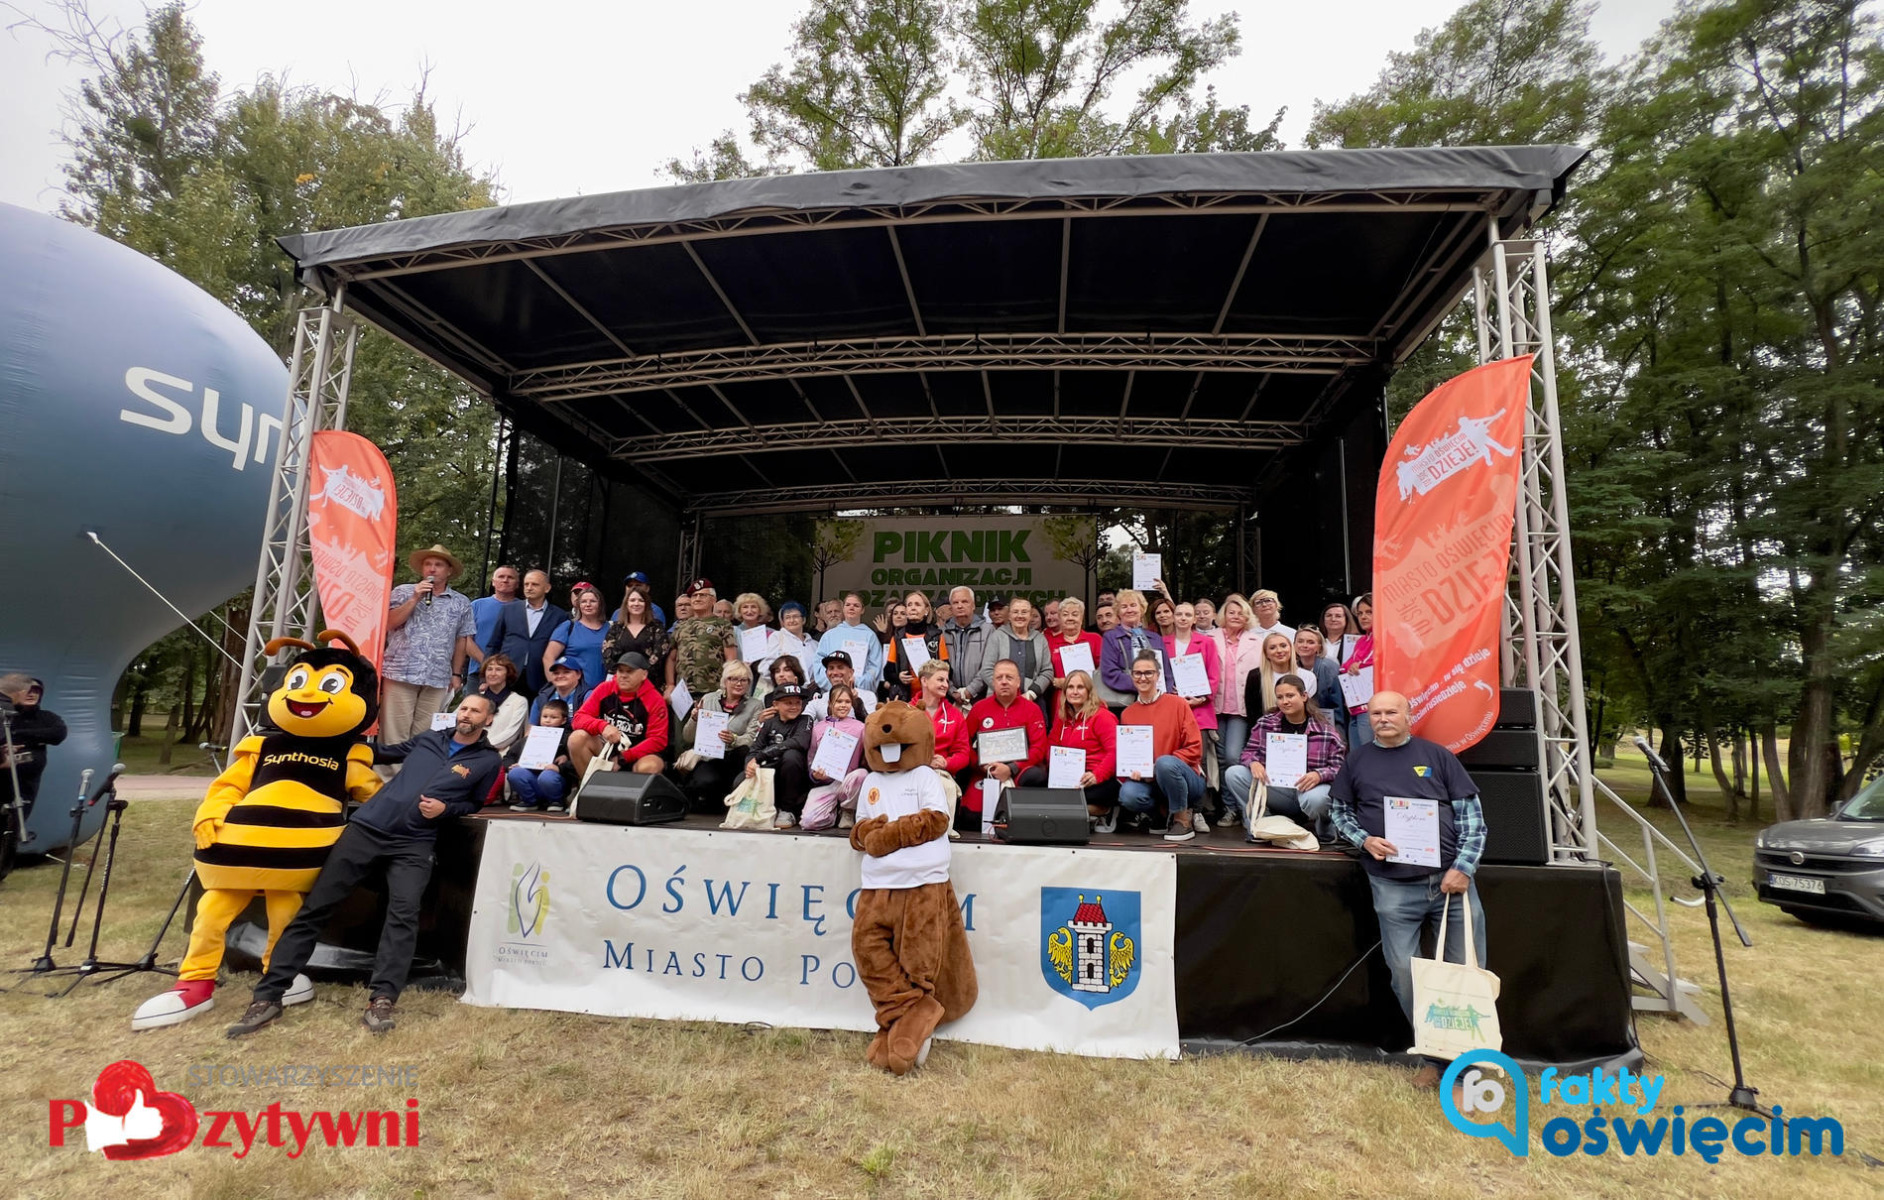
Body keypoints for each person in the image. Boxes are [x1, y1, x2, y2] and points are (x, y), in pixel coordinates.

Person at [227, 692, 501, 1037]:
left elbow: (475, 803)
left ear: (488, 720)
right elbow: (380, 752)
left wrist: (447, 811)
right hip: (368, 828)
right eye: (463, 707)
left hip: (414, 843)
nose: (466, 713)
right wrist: (331, 737)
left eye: (475, 710)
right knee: (316, 908)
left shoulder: (488, 761)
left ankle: (382, 999)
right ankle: (267, 997)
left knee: (403, 917)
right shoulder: (430, 739)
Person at [1329, 690, 1487, 1091]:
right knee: (1404, 974)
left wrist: (1463, 869)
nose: (1383, 718)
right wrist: (1365, 840)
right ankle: (1436, 1056)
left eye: (1391, 711)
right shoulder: (1358, 759)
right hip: (1393, 886)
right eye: (1376, 713)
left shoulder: (1438, 757)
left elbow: (1473, 819)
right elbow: (1339, 812)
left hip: (1450, 884)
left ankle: (1467, 1063)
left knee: (1465, 974)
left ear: (1408, 715)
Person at [1222, 674, 1346, 832]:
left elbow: (1339, 768)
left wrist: (1319, 775)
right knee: (1234, 773)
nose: (1285, 701)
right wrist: (1253, 763)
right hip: (1277, 788)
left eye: (1290, 695)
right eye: (1280, 697)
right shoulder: (1265, 723)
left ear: (1304, 696)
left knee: (1318, 799)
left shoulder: (1326, 731)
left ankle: (1324, 828)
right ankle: (1263, 824)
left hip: (1309, 790)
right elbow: (1248, 752)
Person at [381, 544, 479, 743]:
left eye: (438, 564)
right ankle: (389, 775)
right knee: (394, 734)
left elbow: (461, 640)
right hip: (401, 672)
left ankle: (417, 772)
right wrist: (415, 598)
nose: (432, 569)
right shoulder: (403, 592)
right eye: (428, 564)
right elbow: (389, 623)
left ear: (449, 570)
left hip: (438, 676)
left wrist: (456, 673)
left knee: (425, 735)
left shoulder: (461, 602)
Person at [1117, 649, 1206, 841]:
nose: (1143, 677)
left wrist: (1157, 767)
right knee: (1128, 794)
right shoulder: (1128, 714)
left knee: (1166, 763)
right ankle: (1160, 814)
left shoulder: (1178, 704)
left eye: (1148, 672)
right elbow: (1130, 754)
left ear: (1158, 676)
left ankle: (1181, 819)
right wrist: (1135, 771)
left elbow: (1195, 748)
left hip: (1186, 780)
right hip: (1151, 782)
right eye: (1138, 673)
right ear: (1132, 676)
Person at [1018, 669, 1119, 829]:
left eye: (1080, 687)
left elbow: (1114, 751)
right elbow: (1051, 745)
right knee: (1034, 780)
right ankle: (1075, 811)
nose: (1075, 691)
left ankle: (1102, 811)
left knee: (1080, 794)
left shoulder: (1103, 717)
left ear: (1089, 691)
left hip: (1095, 778)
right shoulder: (1063, 718)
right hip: (1069, 778)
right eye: (1070, 687)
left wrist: (1096, 775)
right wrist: (1057, 769)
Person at [964, 660, 1048, 834]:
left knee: (1037, 776)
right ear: (993, 682)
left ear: (1018, 682)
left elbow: (1039, 747)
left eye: (1009, 677)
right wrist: (981, 765)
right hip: (987, 770)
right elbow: (964, 743)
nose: (1004, 681)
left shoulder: (1032, 709)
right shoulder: (979, 708)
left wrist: (1012, 768)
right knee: (971, 819)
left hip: (1019, 770)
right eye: (999, 677)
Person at [677, 660, 760, 810]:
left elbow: (752, 738)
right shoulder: (708, 699)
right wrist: (694, 719)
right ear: (724, 681)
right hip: (709, 757)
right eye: (733, 679)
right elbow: (687, 737)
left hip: (735, 758)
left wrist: (734, 739)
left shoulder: (755, 705)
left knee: (742, 752)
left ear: (749, 683)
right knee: (705, 782)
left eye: (744, 680)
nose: (739, 683)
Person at [569, 652, 670, 777]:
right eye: (620, 671)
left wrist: (624, 757)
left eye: (630, 671)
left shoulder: (654, 699)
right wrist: (602, 726)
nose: (624, 676)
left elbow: (658, 740)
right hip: (608, 749)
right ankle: (591, 789)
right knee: (576, 738)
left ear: (644, 674)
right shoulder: (604, 689)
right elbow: (578, 719)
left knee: (650, 766)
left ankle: (634, 796)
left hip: (640, 753)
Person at [1166, 601, 1223, 809]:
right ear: (1173, 617)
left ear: (1194, 619)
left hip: (1199, 708)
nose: (1182, 618)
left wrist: (1201, 698)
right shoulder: (1162, 643)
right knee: (1170, 755)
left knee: (1200, 759)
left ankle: (1200, 808)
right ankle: (1175, 807)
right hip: (1170, 708)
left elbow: (1213, 676)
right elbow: (1160, 673)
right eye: (1178, 614)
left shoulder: (1206, 643)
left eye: (1187, 614)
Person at [0, 674, 66, 837]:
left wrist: (18, 735)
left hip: (27, 785)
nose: (32, 694)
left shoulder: (47, 717)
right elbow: (5, 735)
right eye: (28, 690)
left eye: (36, 690)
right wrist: (36, 739)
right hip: (2, 780)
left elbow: (57, 734)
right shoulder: (5, 714)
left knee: (14, 826)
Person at [485, 569, 569, 696]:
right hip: (508, 675)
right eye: (526, 584)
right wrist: (486, 676)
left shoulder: (559, 616)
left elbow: (562, 651)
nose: (529, 588)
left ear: (547, 588)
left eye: (534, 584)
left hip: (540, 678)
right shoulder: (509, 609)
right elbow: (493, 644)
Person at [747, 683, 813, 828]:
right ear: (775, 705)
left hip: (795, 778)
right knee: (742, 777)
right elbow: (754, 750)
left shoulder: (805, 720)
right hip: (771, 773)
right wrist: (750, 765)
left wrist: (761, 757)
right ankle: (755, 810)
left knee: (792, 756)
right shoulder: (769, 723)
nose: (794, 706)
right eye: (788, 702)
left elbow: (799, 741)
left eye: (798, 702)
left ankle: (787, 810)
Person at [1214, 594, 1266, 778]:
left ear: (1247, 617)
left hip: (1241, 707)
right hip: (1215, 706)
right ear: (1224, 615)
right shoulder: (1209, 639)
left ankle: (1236, 799)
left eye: (1240, 613)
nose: (1235, 616)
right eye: (1231, 613)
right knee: (1219, 757)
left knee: (1232, 756)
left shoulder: (1258, 642)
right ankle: (1225, 804)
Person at [976, 597, 1052, 722]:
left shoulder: (1040, 639)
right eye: (1016, 612)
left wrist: (1031, 694)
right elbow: (987, 669)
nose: (1020, 616)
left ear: (1030, 616)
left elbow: (1047, 671)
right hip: (999, 704)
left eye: (1024, 612)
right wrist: (1005, 692)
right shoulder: (997, 637)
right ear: (1009, 615)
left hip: (1032, 703)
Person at [804, 683, 867, 829]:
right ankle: (832, 813)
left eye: (847, 702)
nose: (843, 705)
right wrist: (815, 775)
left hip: (849, 783)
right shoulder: (818, 729)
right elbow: (811, 758)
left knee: (861, 775)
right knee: (809, 822)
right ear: (830, 703)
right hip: (827, 782)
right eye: (839, 701)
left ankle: (847, 810)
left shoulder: (860, 727)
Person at [911, 659, 972, 808]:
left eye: (946, 680)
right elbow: (899, 747)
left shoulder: (955, 715)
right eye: (940, 679)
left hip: (941, 771)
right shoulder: (906, 711)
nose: (945, 684)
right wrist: (923, 761)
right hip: (910, 770)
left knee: (947, 788)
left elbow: (963, 753)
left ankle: (945, 831)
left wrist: (946, 763)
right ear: (924, 681)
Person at [670, 579, 739, 700]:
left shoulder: (723, 624)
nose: (697, 599)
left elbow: (731, 659)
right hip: (683, 692)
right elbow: (671, 659)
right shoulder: (680, 626)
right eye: (694, 596)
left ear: (713, 600)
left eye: (702, 595)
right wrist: (670, 685)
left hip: (713, 691)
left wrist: (728, 686)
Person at [1097, 589, 1163, 710]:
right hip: (1123, 704)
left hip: (1156, 702)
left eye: (1133, 605)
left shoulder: (1155, 638)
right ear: (1118, 612)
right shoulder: (1110, 637)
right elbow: (1109, 672)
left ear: (1141, 609)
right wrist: (1142, 683)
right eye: (1124, 606)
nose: (1129, 610)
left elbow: (1166, 671)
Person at [506, 698, 575, 813]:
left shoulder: (569, 738)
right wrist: (511, 765)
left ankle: (556, 801)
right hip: (533, 780)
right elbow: (508, 757)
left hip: (555, 783)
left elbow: (577, 764)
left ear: (563, 720)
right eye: (545, 717)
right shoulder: (532, 737)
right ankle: (530, 801)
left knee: (547, 776)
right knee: (515, 773)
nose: (548, 721)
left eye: (553, 717)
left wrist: (560, 767)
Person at [602, 584, 671, 696]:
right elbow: (607, 657)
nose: (636, 603)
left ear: (646, 604)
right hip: (620, 686)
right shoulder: (616, 628)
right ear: (626, 604)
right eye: (632, 600)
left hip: (649, 685)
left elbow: (659, 655)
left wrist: (638, 677)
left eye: (640, 600)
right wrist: (624, 677)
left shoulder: (656, 627)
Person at [883, 590, 949, 704]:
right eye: (909, 605)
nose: (913, 608)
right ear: (906, 610)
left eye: (917, 604)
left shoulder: (936, 636)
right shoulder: (898, 637)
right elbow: (888, 671)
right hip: (904, 697)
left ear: (926, 610)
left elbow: (947, 668)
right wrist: (899, 677)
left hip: (932, 697)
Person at [815, 592, 886, 693]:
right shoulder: (829, 636)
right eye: (848, 605)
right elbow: (819, 664)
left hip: (860, 692)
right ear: (843, 609)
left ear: (862, 610)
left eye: (856, 605)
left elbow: (875, 667)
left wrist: (858, 682)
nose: (851, 608)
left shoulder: (870, 636)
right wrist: (833, 683)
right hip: (832, 692)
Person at [541, 583, 609, 689]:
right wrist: (556, 686)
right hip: (575, 692)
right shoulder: (568, 627)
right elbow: (548, 657)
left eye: (593, 601)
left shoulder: (610, 629)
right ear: (578, 605)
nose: (588, 604)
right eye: (583, 601)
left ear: (600, 604)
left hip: (604, 691)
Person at [1046, 598, 1103, 716]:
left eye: (1075, 614)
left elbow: (1103, 668)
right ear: (1060, 618)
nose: (1070, 618)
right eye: (1065, 614)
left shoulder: (1094, 639)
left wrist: (1077, 682)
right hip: (1061, 699)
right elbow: (1043, 670)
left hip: (1090, 696)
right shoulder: (1049, 642)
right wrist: (1055, 682)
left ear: (1082, 618)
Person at [939, 586, 992, 710]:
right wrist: (952, 691)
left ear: (973, 605)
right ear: (951, 607)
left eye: (964, 601)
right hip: (950, 699)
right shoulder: (942, 633)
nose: (960, 606)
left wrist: (970, 691)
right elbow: (939, 665)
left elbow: (989, 665)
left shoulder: (988, 630)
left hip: (980, 698)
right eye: (955, 603)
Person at [474, 653, 531, 758]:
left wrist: (482, 746)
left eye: (498, 669)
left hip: (501, 755)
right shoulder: (474, 700)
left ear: (507, 674)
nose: (493, 673)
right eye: (489, 669)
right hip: (470, 750)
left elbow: (511, 733)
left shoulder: (519, 701)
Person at [1344, 593, 1378, 747]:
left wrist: (1358, 665)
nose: (1363, 617)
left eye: (1369, 612)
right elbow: (1345, 667)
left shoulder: (1386, 637)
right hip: (1355, 707)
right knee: (1358, 756)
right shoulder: (1362, 640)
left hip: (1372, 706)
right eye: (1360, 613)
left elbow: (1370, 665)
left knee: (1371, 755)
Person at [469, 565, 519, 664]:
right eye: (501, 577)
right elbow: (466, 640)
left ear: (517, 584)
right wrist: (487, 663)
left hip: (514, 672)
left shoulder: (524, 609)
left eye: (510, 577)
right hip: (478, 671)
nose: (505, 580)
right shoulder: (476, 606)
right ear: (493, 582)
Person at [1243, 631, 1298, 721]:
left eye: (1283, 646)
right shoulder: (1255, 676)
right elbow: (1252, 713)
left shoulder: (1307, 676)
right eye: (1272, 648)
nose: (1279, 651)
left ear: (1291, 648)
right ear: (1266, 654)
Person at [1292, 627, 1345, 720]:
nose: (1304, 645)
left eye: (1310, 642)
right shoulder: (1292, 667)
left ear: (1319, 647)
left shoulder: (1329, 667)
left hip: (1329, 719)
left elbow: (1337, 704)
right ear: (1294, 644)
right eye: (1300, 641)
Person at [807, 650, 878, 719]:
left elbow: (870, 726)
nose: (835, 672)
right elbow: (804, 722)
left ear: (851, 672)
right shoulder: (819, 700)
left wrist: (856, 702)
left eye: (840, 667)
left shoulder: (868, 696)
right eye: (831, 668)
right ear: (826, 673)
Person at [731, 592, 779, 683]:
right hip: (739, 678)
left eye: (753, 607)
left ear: (760, 610)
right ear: (739, 611)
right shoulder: (733, 631)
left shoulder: (771, 633)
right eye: (745, 607)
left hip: (764, 680)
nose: (749, 611)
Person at [1320, 601, 1362, 666]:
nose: (1333, 619)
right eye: (1328, 615)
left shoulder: (1357, 641)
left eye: (1338, 616)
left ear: (1347, 619)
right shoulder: (1316, 641)